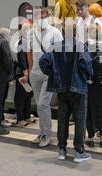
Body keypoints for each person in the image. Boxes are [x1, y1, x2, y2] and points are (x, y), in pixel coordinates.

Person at [39, 21, 93, 162]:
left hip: (61, 88)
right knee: (80, 120)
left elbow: (43, 62)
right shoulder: (80, 45)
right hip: (79, 87)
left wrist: (53, 74)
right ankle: (79, 151)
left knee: (62, 119)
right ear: (76, 32)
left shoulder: (55, 46)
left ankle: (62, 150)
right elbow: (85, 63)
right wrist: (88, 76)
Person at [28, 8, 63, 147]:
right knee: (39, 105)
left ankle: (46, 134)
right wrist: (30, 69)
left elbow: (61, 54)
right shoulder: (31, 32)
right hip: (35, 73)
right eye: (37, 17)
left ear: (48, 17)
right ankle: (42, 131)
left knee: (43, 104)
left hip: (49, 74)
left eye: (42, 17)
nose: (40, 20)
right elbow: (28, 51)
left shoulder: (55, 32)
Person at [14, 22, 33, 127]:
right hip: (22, 73)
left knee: (28, 94)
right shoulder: (22, 43)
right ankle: (20, 119)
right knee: (21, 96)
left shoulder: (27, 42)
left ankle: (27, 116)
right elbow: (22, 59)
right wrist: (26, 73)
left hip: (27, 72)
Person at [0, 27, 14, 128]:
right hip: (2, 78)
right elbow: (8, 63)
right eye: (9, 35)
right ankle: (0, 119)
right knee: (1, 99)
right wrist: (10, 78)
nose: (11, 37)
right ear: (4, 36)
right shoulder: (4, 46)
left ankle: (0, 118)